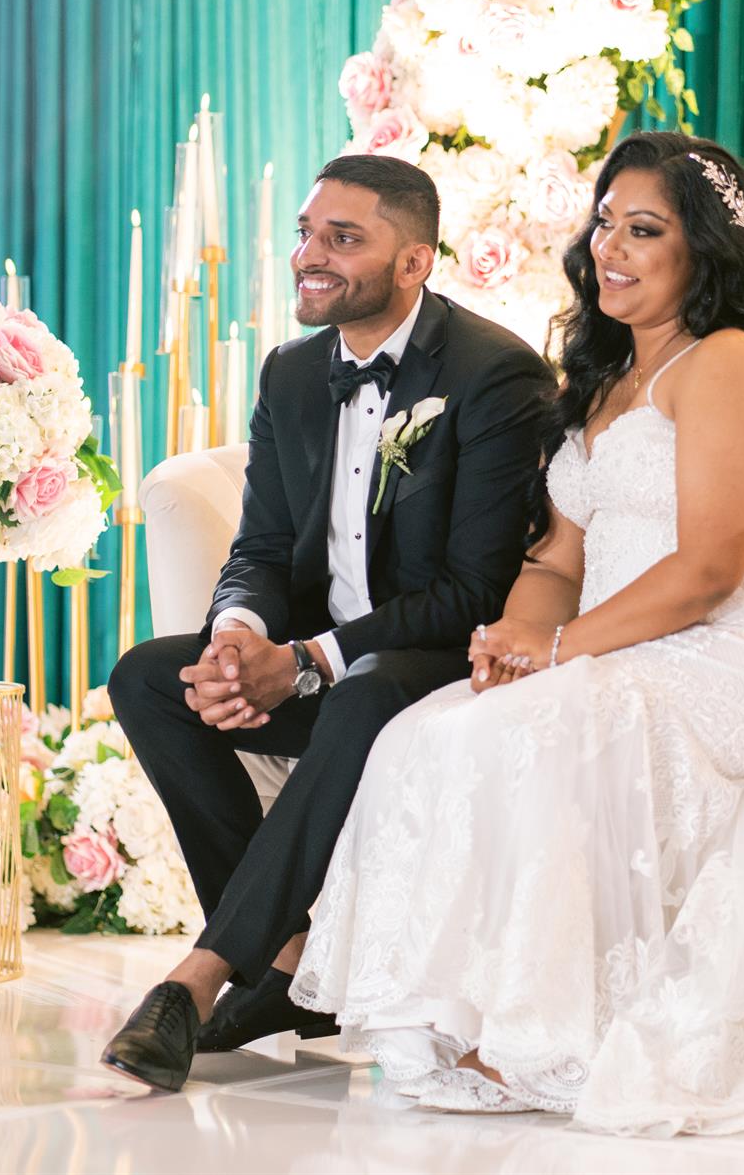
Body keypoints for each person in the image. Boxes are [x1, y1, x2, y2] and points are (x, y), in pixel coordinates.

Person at [290, 132, 744, 1135]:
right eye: (606, 222)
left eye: (644, 230)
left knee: (542, 731)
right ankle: (463, 1012)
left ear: (706, 249)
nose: (610, 247)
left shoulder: (730, 362)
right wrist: (513, 639)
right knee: (429, 728)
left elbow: (709, 570)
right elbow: (556, 564)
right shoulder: (605, 376)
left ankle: (545, 1032)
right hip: (628, 641)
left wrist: (558, 653)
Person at [100, 154, 553, 1092]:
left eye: (344, 239)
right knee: (148, 676)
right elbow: (263, 545)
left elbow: (476, 588)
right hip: (322, 660)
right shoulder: (293, 372)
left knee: (366, 692)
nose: (311, 254)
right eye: (307, 233)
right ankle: (291, 963)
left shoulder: (495, 373)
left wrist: (309, 661)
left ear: (415, 261)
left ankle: (201, 975)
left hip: (442, 662)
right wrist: (236, 636)